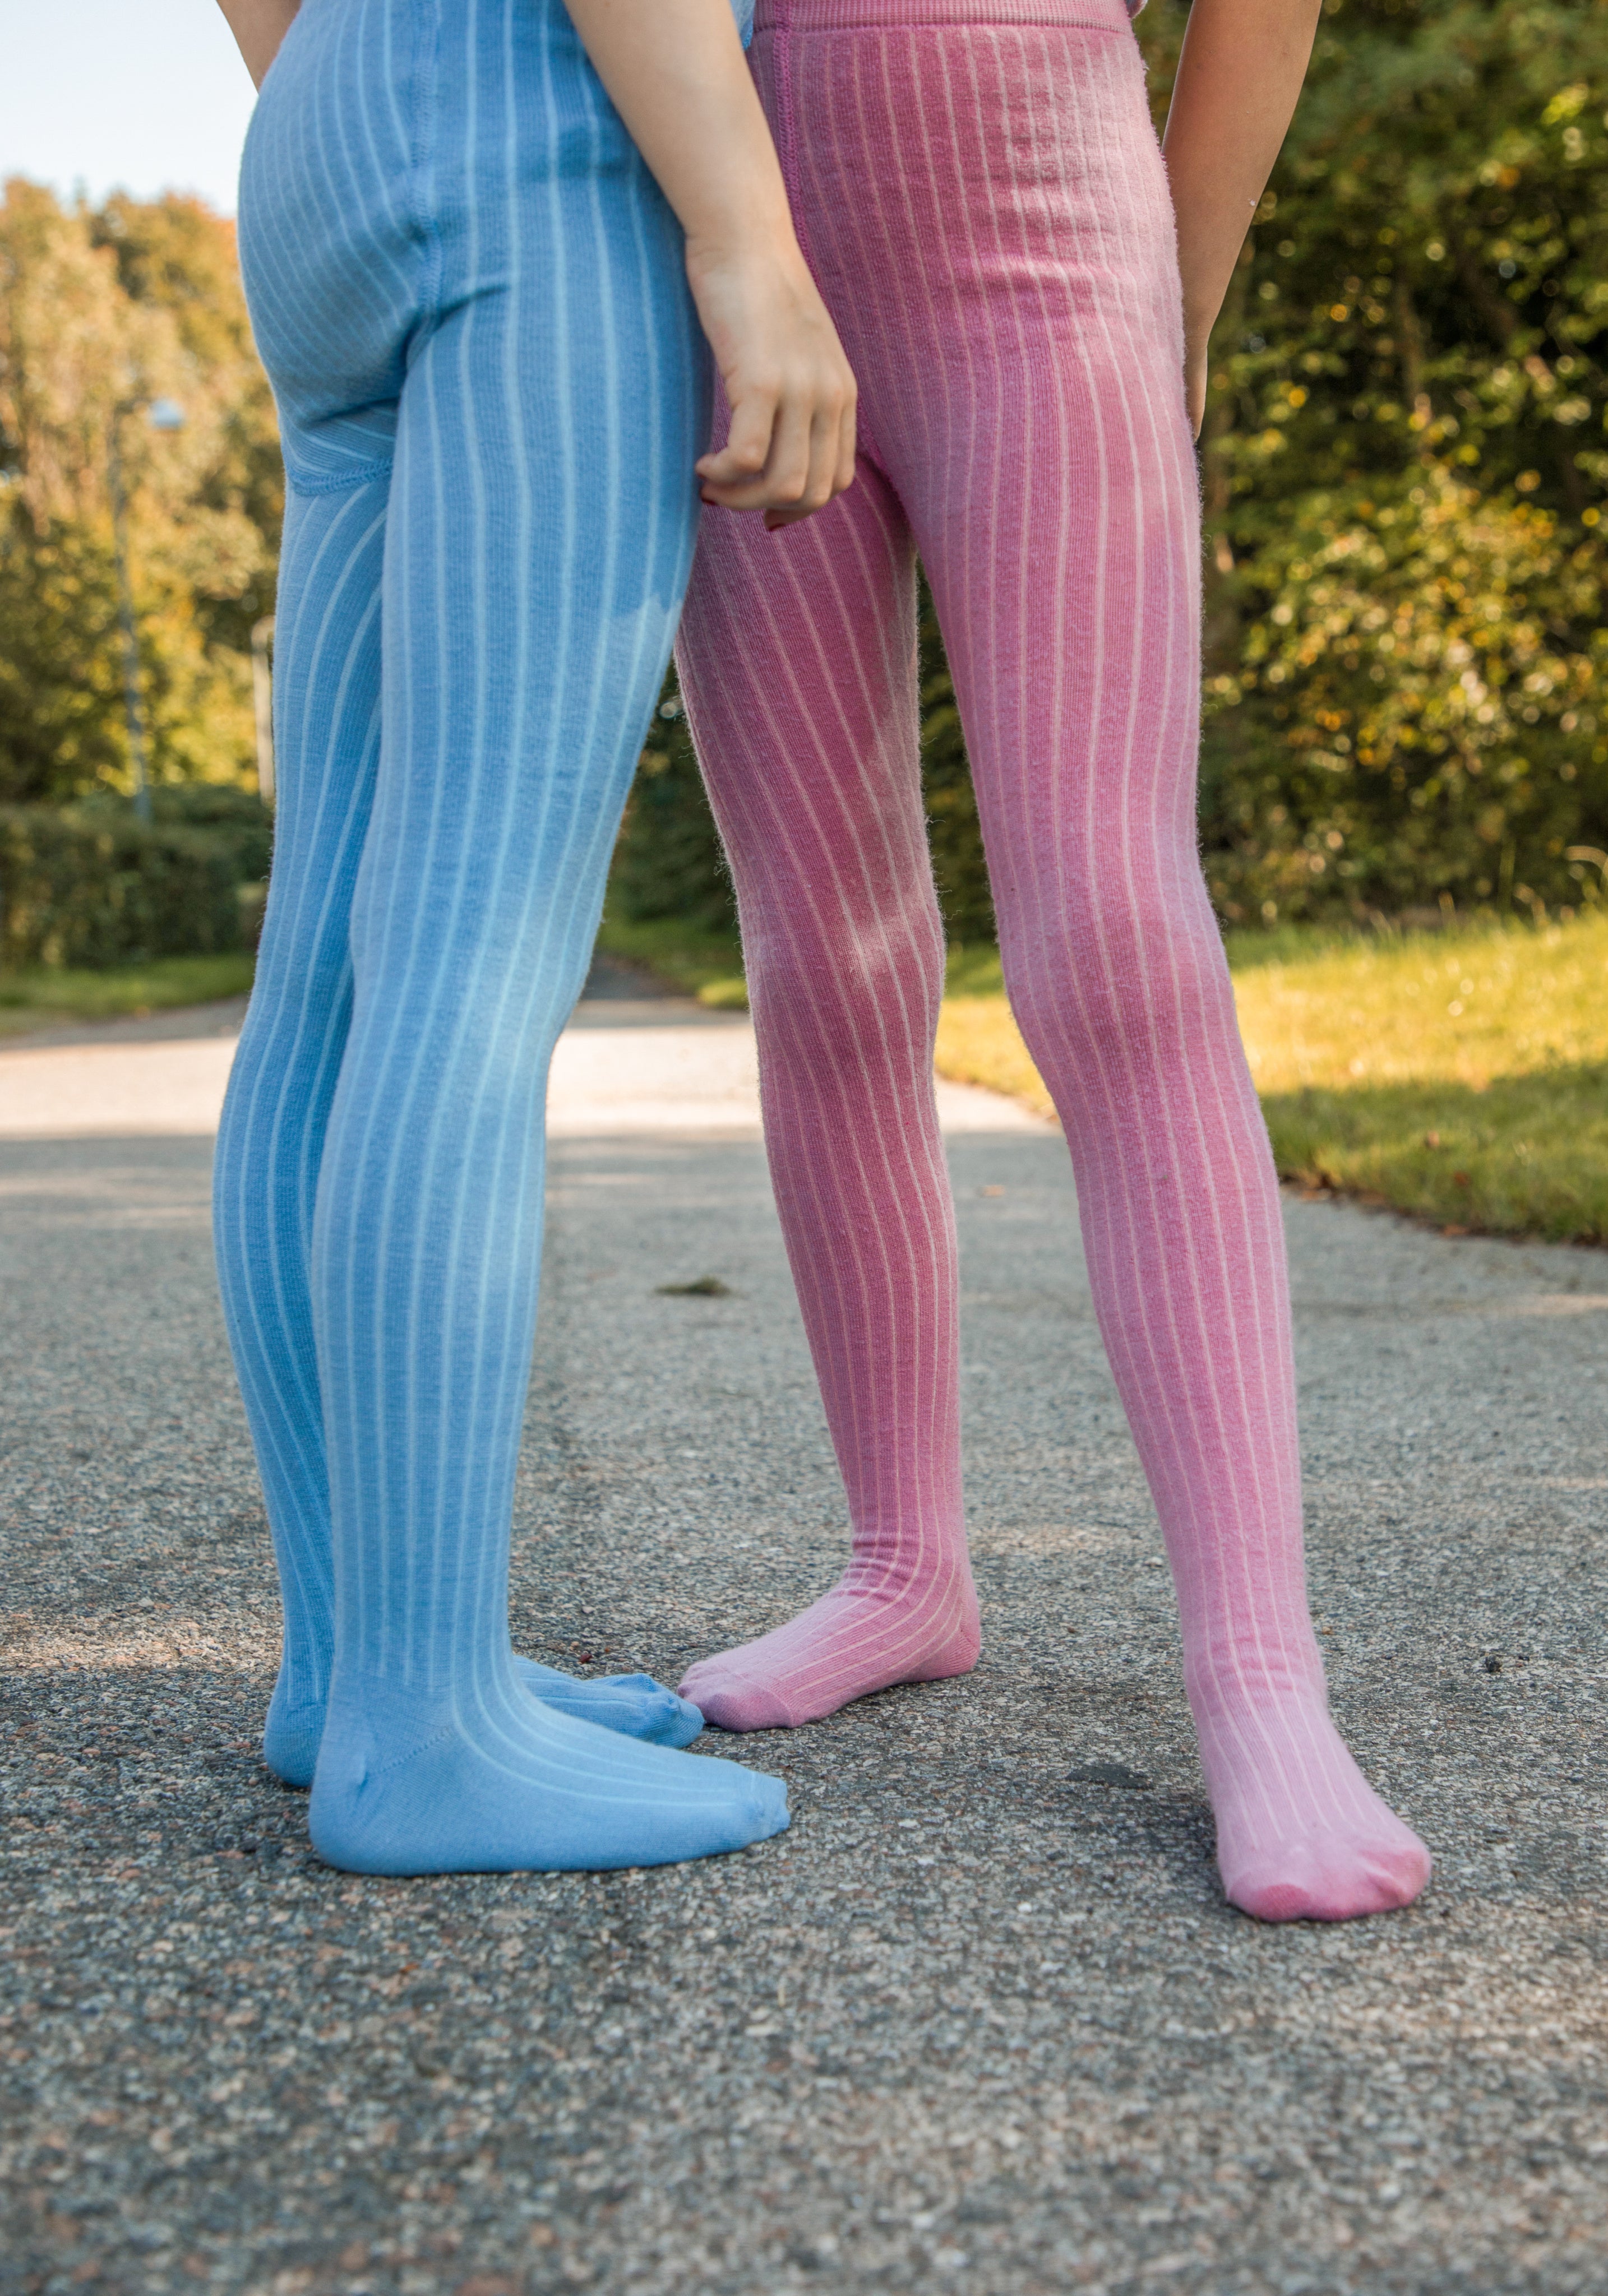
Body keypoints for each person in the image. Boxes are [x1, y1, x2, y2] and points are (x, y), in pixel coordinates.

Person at [673, 0, 1433, 1922]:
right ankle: (899, 1567)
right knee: (824, 954)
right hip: (729, 243)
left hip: (1044, 239)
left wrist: (1178, 281)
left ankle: (1258, 1672)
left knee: (1116, 947)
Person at [209, 0, 856, 1874]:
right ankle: (423, 1734)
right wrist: (742, 229)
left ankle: (354, 1669)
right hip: (542, 121)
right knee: (468, 954)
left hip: (329, 124)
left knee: (327, 971)